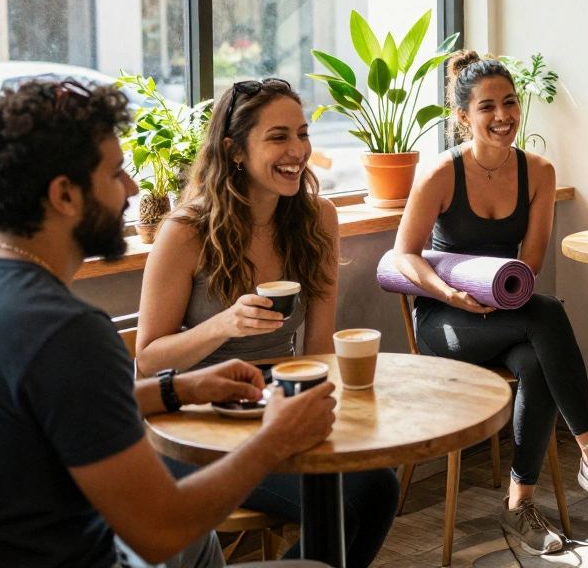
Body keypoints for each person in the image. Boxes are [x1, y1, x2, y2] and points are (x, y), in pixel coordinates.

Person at [0, 77, 335, 568]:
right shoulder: (67, 332)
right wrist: (274, 440)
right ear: (64, 194)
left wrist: (179, 389)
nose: (133, 189)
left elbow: (52, 412)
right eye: (116, 174)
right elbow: (160, 532)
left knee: (203, 546)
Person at [392, 51, 588, 555]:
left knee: (536, 358)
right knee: (548, 313)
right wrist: (449, 293)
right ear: (463, 116)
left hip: (509, 310)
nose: (503, 115)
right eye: (487, 107)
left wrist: (499, 297)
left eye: (510, 102)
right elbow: (404, 254)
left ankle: (519, 506)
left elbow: (528, 265)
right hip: (447, 320)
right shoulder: (441, 173)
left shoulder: (539, 173)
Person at [134, 78, 398, 566]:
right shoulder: (186, 232)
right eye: (278, 137)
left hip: (275, 404)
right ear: (234, 151)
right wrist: (224, 324)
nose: (297, 150)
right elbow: (147, 361)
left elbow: (318, 347)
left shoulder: (317, 219)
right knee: (344, 502)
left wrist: (327, 412)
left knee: (378, 484)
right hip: (194, 423)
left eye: (302, 133)